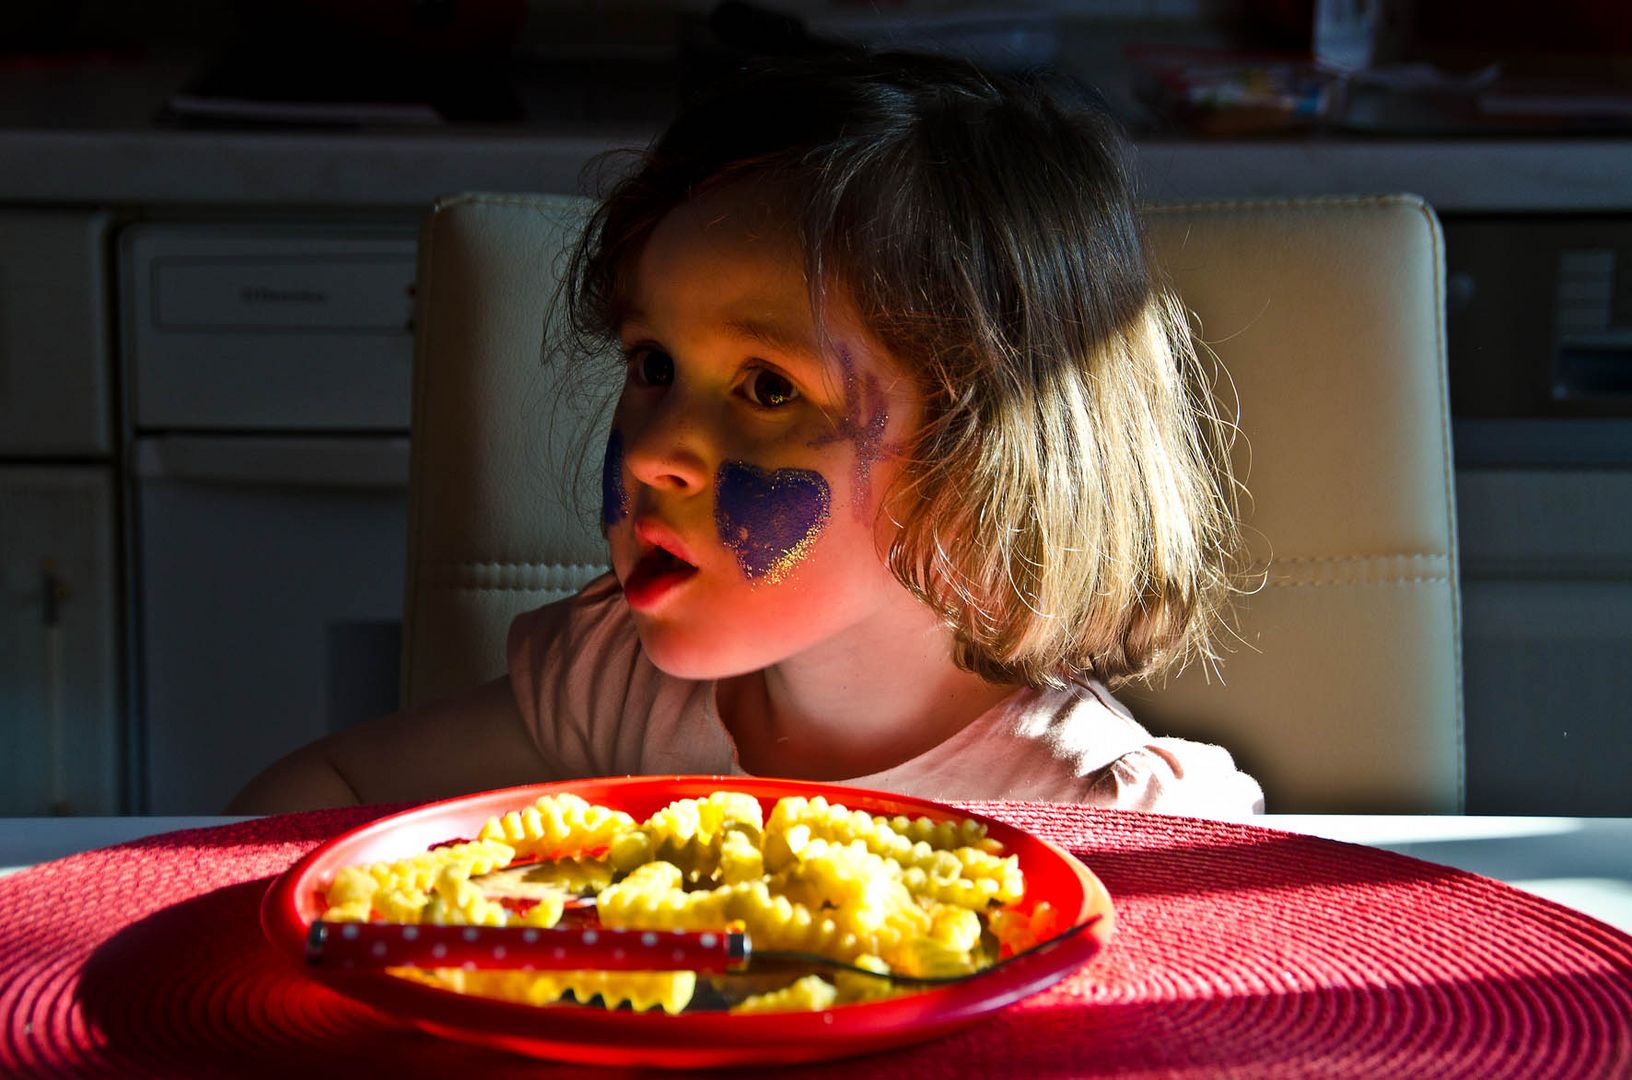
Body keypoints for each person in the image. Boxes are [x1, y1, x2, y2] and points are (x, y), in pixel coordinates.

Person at [230, 50, 1263, 817]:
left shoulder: (1099, 813)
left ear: (978, 462)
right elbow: (317, 791)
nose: (646, 453)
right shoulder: (618, 697)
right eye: (652, 366)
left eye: (768, 388)